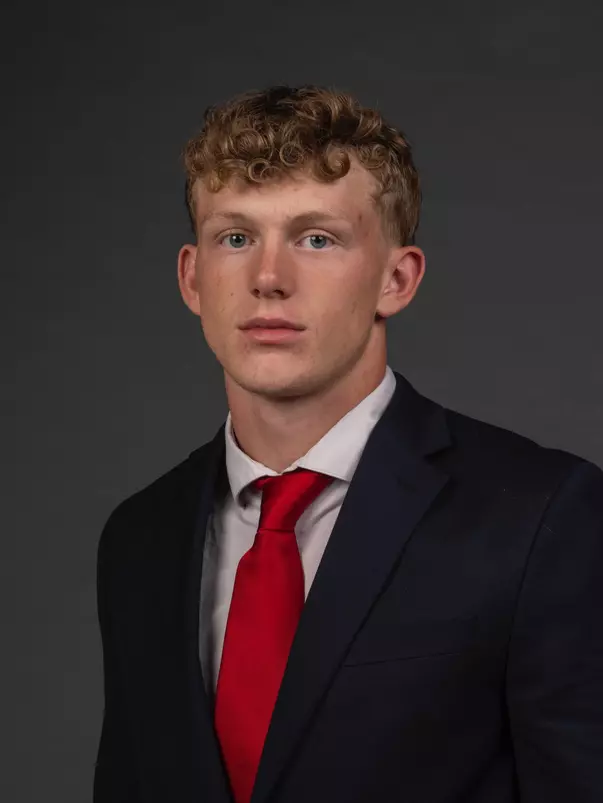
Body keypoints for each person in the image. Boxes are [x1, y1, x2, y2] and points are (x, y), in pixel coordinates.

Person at [93, 84, 603, 803]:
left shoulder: (538, 518)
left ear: (396, 279)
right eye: (235, 237)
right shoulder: (138, 538)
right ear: (192, 277)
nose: (268, 279)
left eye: (316, 238)